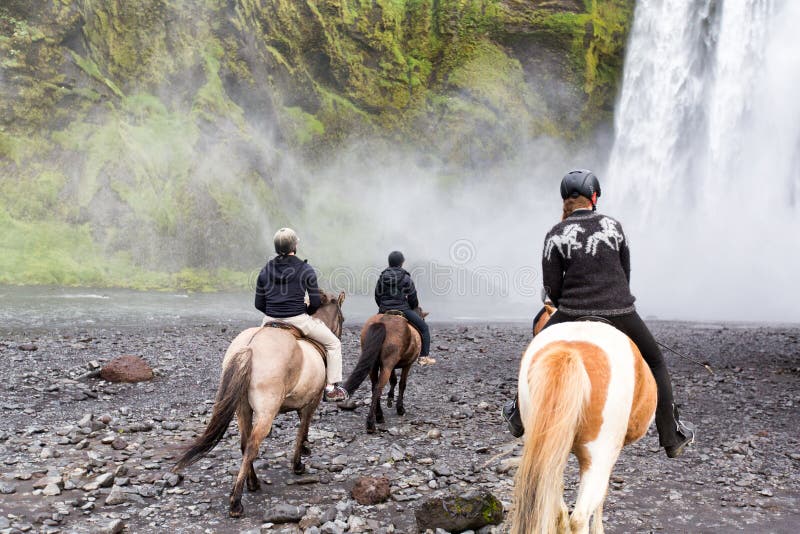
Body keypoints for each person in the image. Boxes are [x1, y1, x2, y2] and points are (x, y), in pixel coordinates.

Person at [502, 170, 695, 458]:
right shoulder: (614, 227)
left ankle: (518, 416)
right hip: (619, 310)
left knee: (535, 351)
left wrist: (569, 298)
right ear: (594, 196)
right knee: (655, 362)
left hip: (571, 311)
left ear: (566, 199)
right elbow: (625, 274)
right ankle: (671, 432)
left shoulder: (555, 234)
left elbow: (551, 288)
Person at [254, 228, 348, 402]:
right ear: (295, 245)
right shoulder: (305, 269)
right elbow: (315, 303)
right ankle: (331, 388)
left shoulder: (265, 270)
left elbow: (259, 304)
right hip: (298, 320)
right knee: (334, 344)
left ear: (276, 247)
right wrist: (306, 311)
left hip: (270, 320)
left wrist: (275, 312)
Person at [375, 251, 433, 366]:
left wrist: (383, 308)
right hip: (403, 309)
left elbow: (377, 295)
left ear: (389, 262)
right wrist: (412, 308)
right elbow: (412, 297)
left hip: (384, 309)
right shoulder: (406, 278)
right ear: (402, 263)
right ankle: (423, 357)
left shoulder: (382, 277)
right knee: (424, 328)